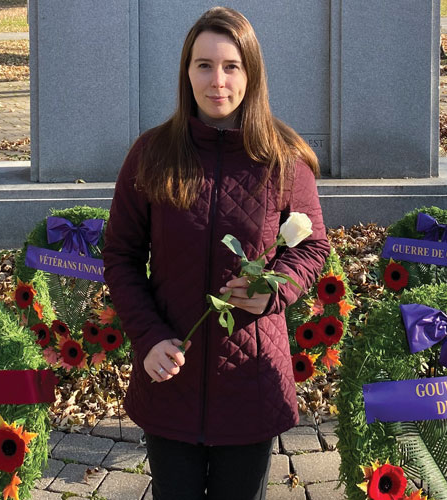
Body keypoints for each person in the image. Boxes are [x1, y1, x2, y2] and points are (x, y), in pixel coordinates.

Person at [102, 6, 330, 500]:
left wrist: (274, 291)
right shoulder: (152, 153)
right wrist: (148, 338)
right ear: (187, 72)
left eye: (231, 66)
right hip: (171, 378)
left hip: (251, 383)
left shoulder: (283, 158)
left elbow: (313, 246)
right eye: (204, 65)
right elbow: (120, 254)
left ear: (251, 73)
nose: (217, 80)